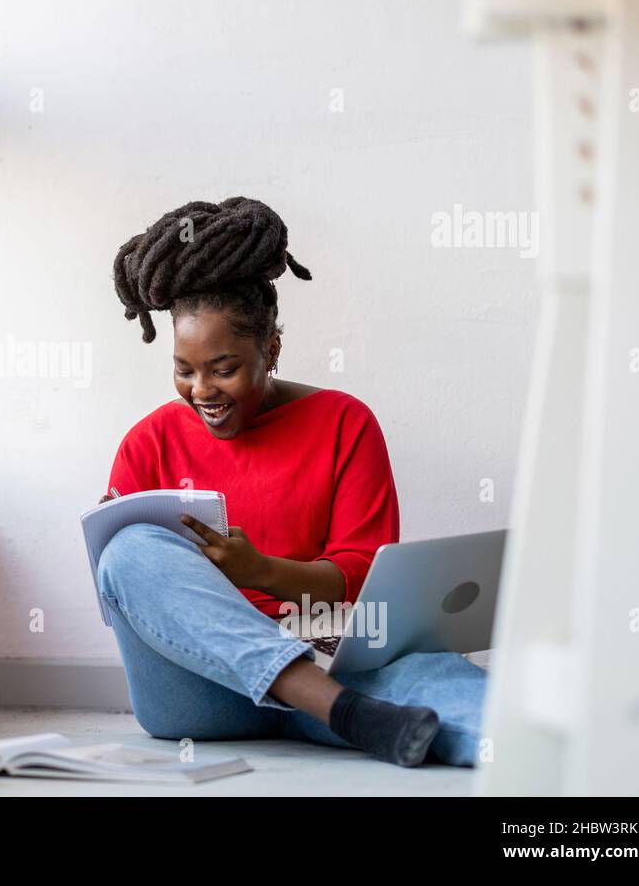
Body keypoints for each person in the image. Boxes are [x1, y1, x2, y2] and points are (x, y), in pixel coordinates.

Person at [97, 196, 487, 767]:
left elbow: (363, 578)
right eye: (185, 370)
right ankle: (338, 710)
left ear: (271, 349)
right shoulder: (148, 441)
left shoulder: (343, 423)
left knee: (438, 677)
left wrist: (261, 573)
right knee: (126, 550)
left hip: (328, 655)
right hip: (197, 688)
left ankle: (589, 753)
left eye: (224, 368)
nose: (202, 389)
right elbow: (126, 594)